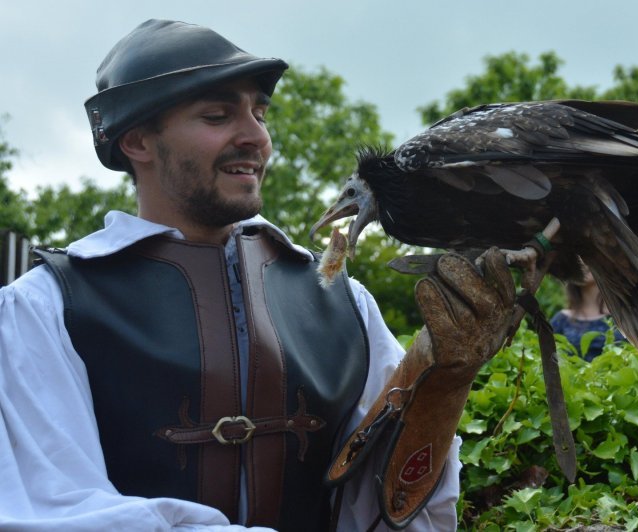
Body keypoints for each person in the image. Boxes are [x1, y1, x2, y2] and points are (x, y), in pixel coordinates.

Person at [0, 20, 519, 532]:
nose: (256, 137)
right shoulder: (45, 309)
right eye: (217, 115)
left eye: (260, 114)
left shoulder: (342, 303)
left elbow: (391, 512)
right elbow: (53, 510)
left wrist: (442, 387)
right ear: (137, 141)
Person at [550, 267, 626, 361]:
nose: (582, 263)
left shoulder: (625, 316)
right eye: (576, 258)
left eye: (585, 257)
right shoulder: (561, 320)